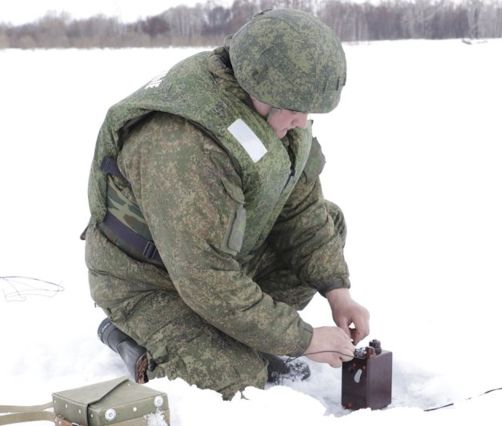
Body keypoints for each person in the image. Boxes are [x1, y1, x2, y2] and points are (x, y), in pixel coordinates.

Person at [83, 8, 370, 400]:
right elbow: (206, 277)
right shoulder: (185, 146)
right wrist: (301, 339)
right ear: (262, 89)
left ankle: (230, 334)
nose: (302, 122)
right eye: (295, 109)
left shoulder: (273, 111)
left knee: (329, 224)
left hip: (216, 258)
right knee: (235, 379)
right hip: (148, 281)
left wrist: (338, 292)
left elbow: (302, 209)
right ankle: (136, 340)